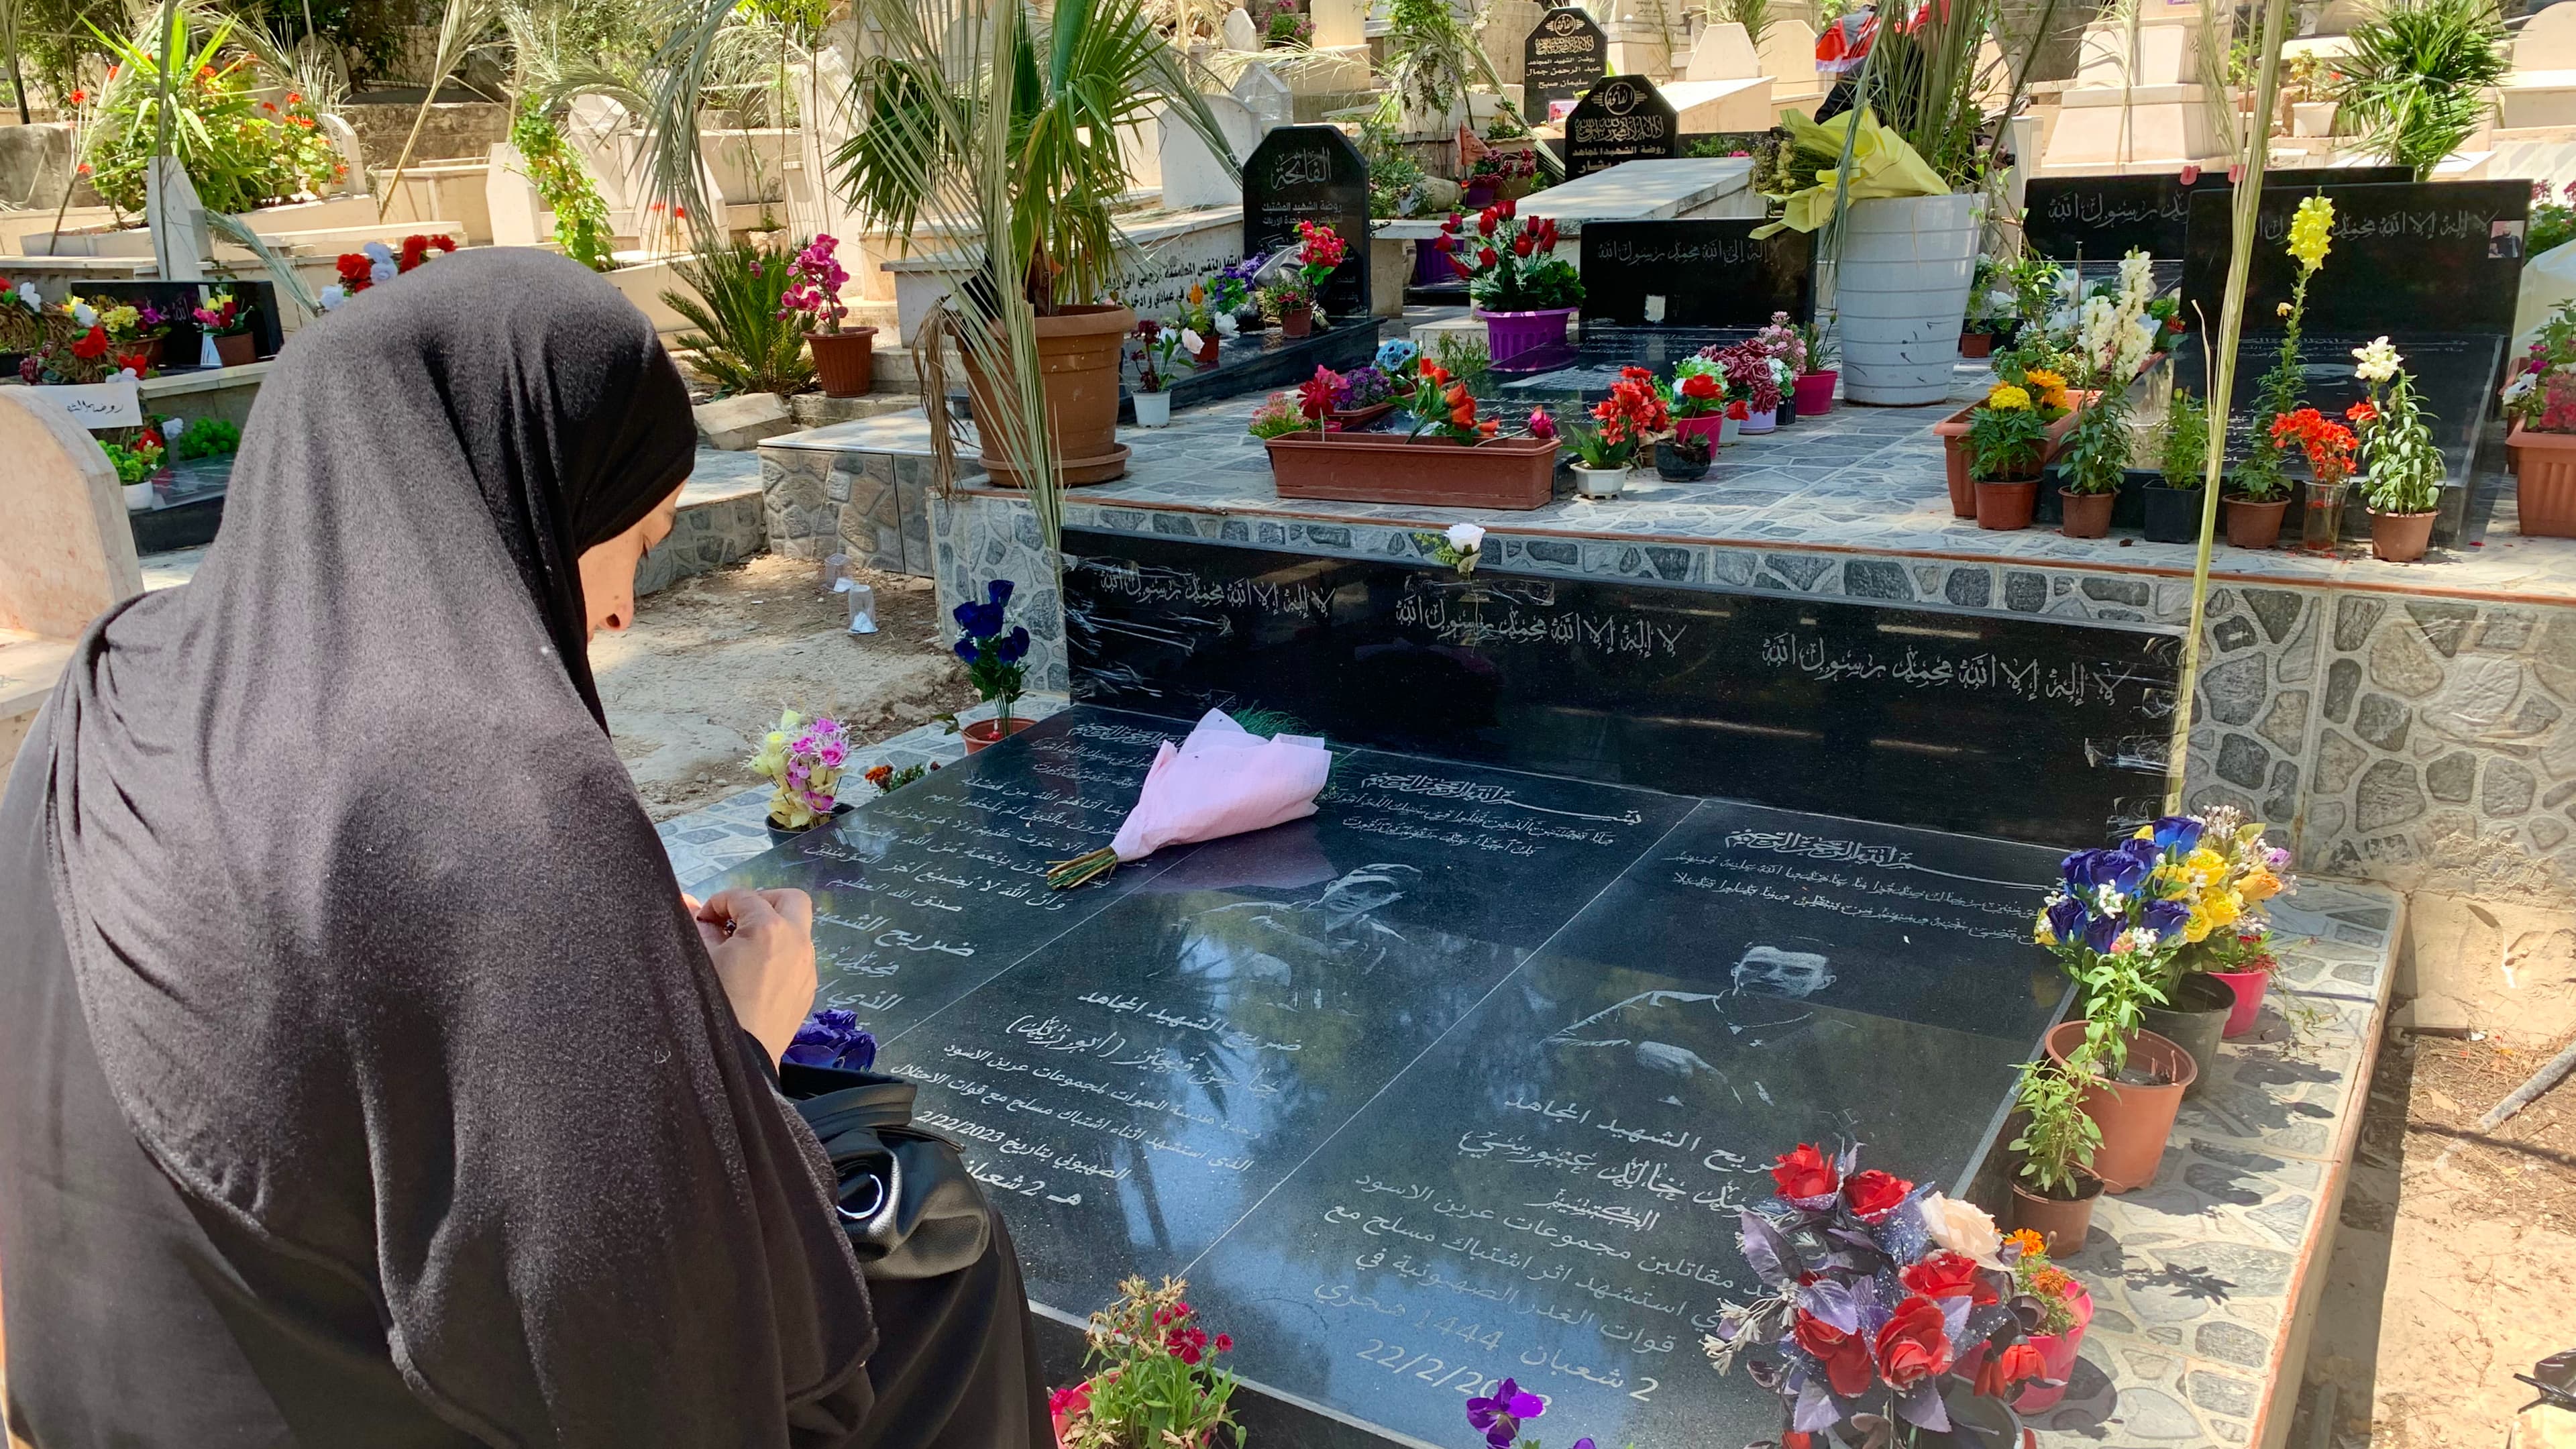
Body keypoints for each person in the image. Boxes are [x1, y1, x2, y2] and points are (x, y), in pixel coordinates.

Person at [0, 250, 1047, 1448]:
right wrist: (738, 1048)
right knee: (936, 1248)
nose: (618, 611)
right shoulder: (492, 796)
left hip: (104, 1385)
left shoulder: (108, 680)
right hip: (358, 1407)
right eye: (636, 540)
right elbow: (635, 1322)